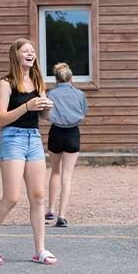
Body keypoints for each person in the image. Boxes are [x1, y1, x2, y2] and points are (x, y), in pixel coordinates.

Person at [0, 38, 57, 266]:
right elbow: (0, 118)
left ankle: (40, 249)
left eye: (33, 51)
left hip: (34, 138)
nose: (31, 54)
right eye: (26, 51)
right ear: (16, 55)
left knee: (38, 196)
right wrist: (26, 106)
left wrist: (46, 110)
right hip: (12, 138)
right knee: (12, 197)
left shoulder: (37, 81)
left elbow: (43, 118)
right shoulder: (6, 83)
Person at [44, 62, 88, 228]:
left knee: (55, 171)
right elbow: (84, 112)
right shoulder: (79, 94)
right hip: (72, 133)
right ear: (71, 78)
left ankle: (50, 209)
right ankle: (62, 216)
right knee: (67, 175)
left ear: (56, 79)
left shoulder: (50, 94)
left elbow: (45, 115)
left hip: (55, 132)